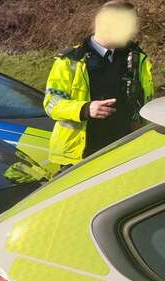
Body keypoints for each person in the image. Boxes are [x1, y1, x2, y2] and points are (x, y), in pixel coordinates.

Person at [44, 0, 154, 169]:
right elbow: (51, 103)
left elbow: (144, 100)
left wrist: (138, 121)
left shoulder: (137, 58)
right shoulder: (71, 60)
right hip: (80, 156)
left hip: (124, 151)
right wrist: (85, 108)